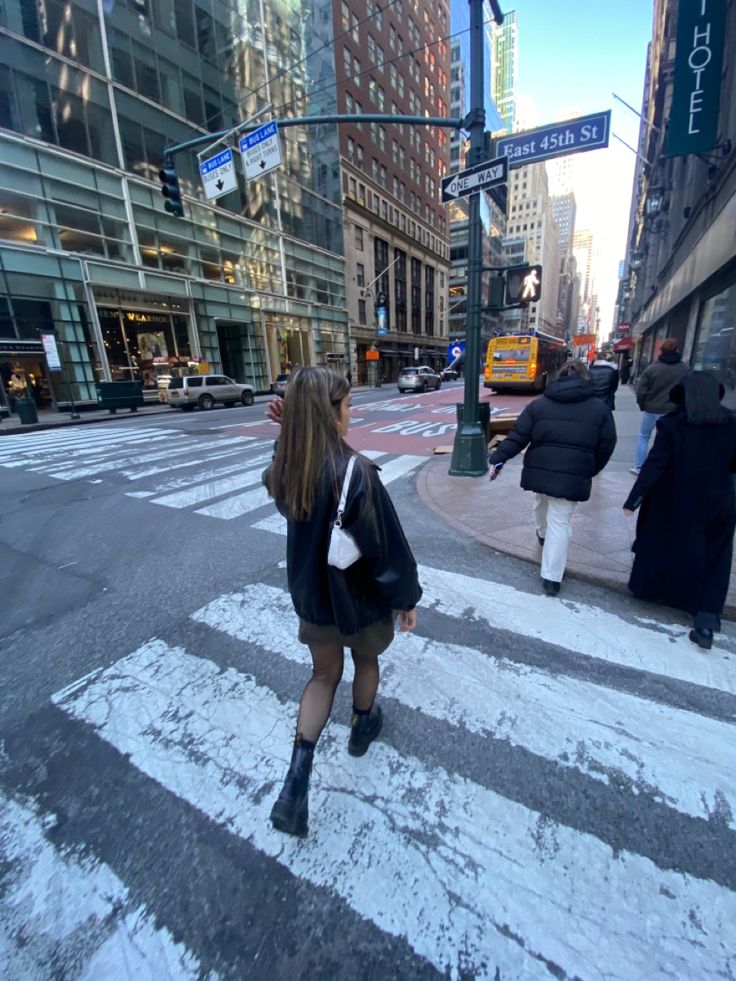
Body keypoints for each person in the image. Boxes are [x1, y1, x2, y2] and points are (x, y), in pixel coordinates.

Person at [263, 366, 421, 837]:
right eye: (348, 405)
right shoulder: (357, 473)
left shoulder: (289, 466)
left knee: (322, 674)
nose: (352, 413)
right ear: (330, 413)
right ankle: (361, 726)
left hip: (313, 597)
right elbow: (385, 548)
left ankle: (295, 785)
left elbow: (281, 477)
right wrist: (406, 598)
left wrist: (287, 434)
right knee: (366, 659)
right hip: (358, 600)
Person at [623, 372, 736, 650]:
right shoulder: (732, 424)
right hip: (718, 501)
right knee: (716, 558)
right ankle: (707, 621)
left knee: (660, 543)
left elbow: (656, 464)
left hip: (673, 498)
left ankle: (649, 589)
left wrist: (635, 499)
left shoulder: (672, 425)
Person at [488, 359, 617, 596]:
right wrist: (591, 468)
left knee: (541, 500)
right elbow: (607, 445)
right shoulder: (600, 409)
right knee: (560, 521)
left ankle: (542, 533)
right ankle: (551, 578)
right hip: (573, 474)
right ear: (586, 379)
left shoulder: (539, 405)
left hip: (540, 468)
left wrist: (498, 458)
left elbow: (518, 436)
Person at [631, 338, 689, 475]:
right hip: (673, 410)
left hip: (652, 408)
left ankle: (639, 466)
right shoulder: (685, 369)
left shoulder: (652, 368)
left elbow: (641, 390)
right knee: (668, 440)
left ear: (661, 350)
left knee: (644, 436)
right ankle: (665, 467)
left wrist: (642, 404)